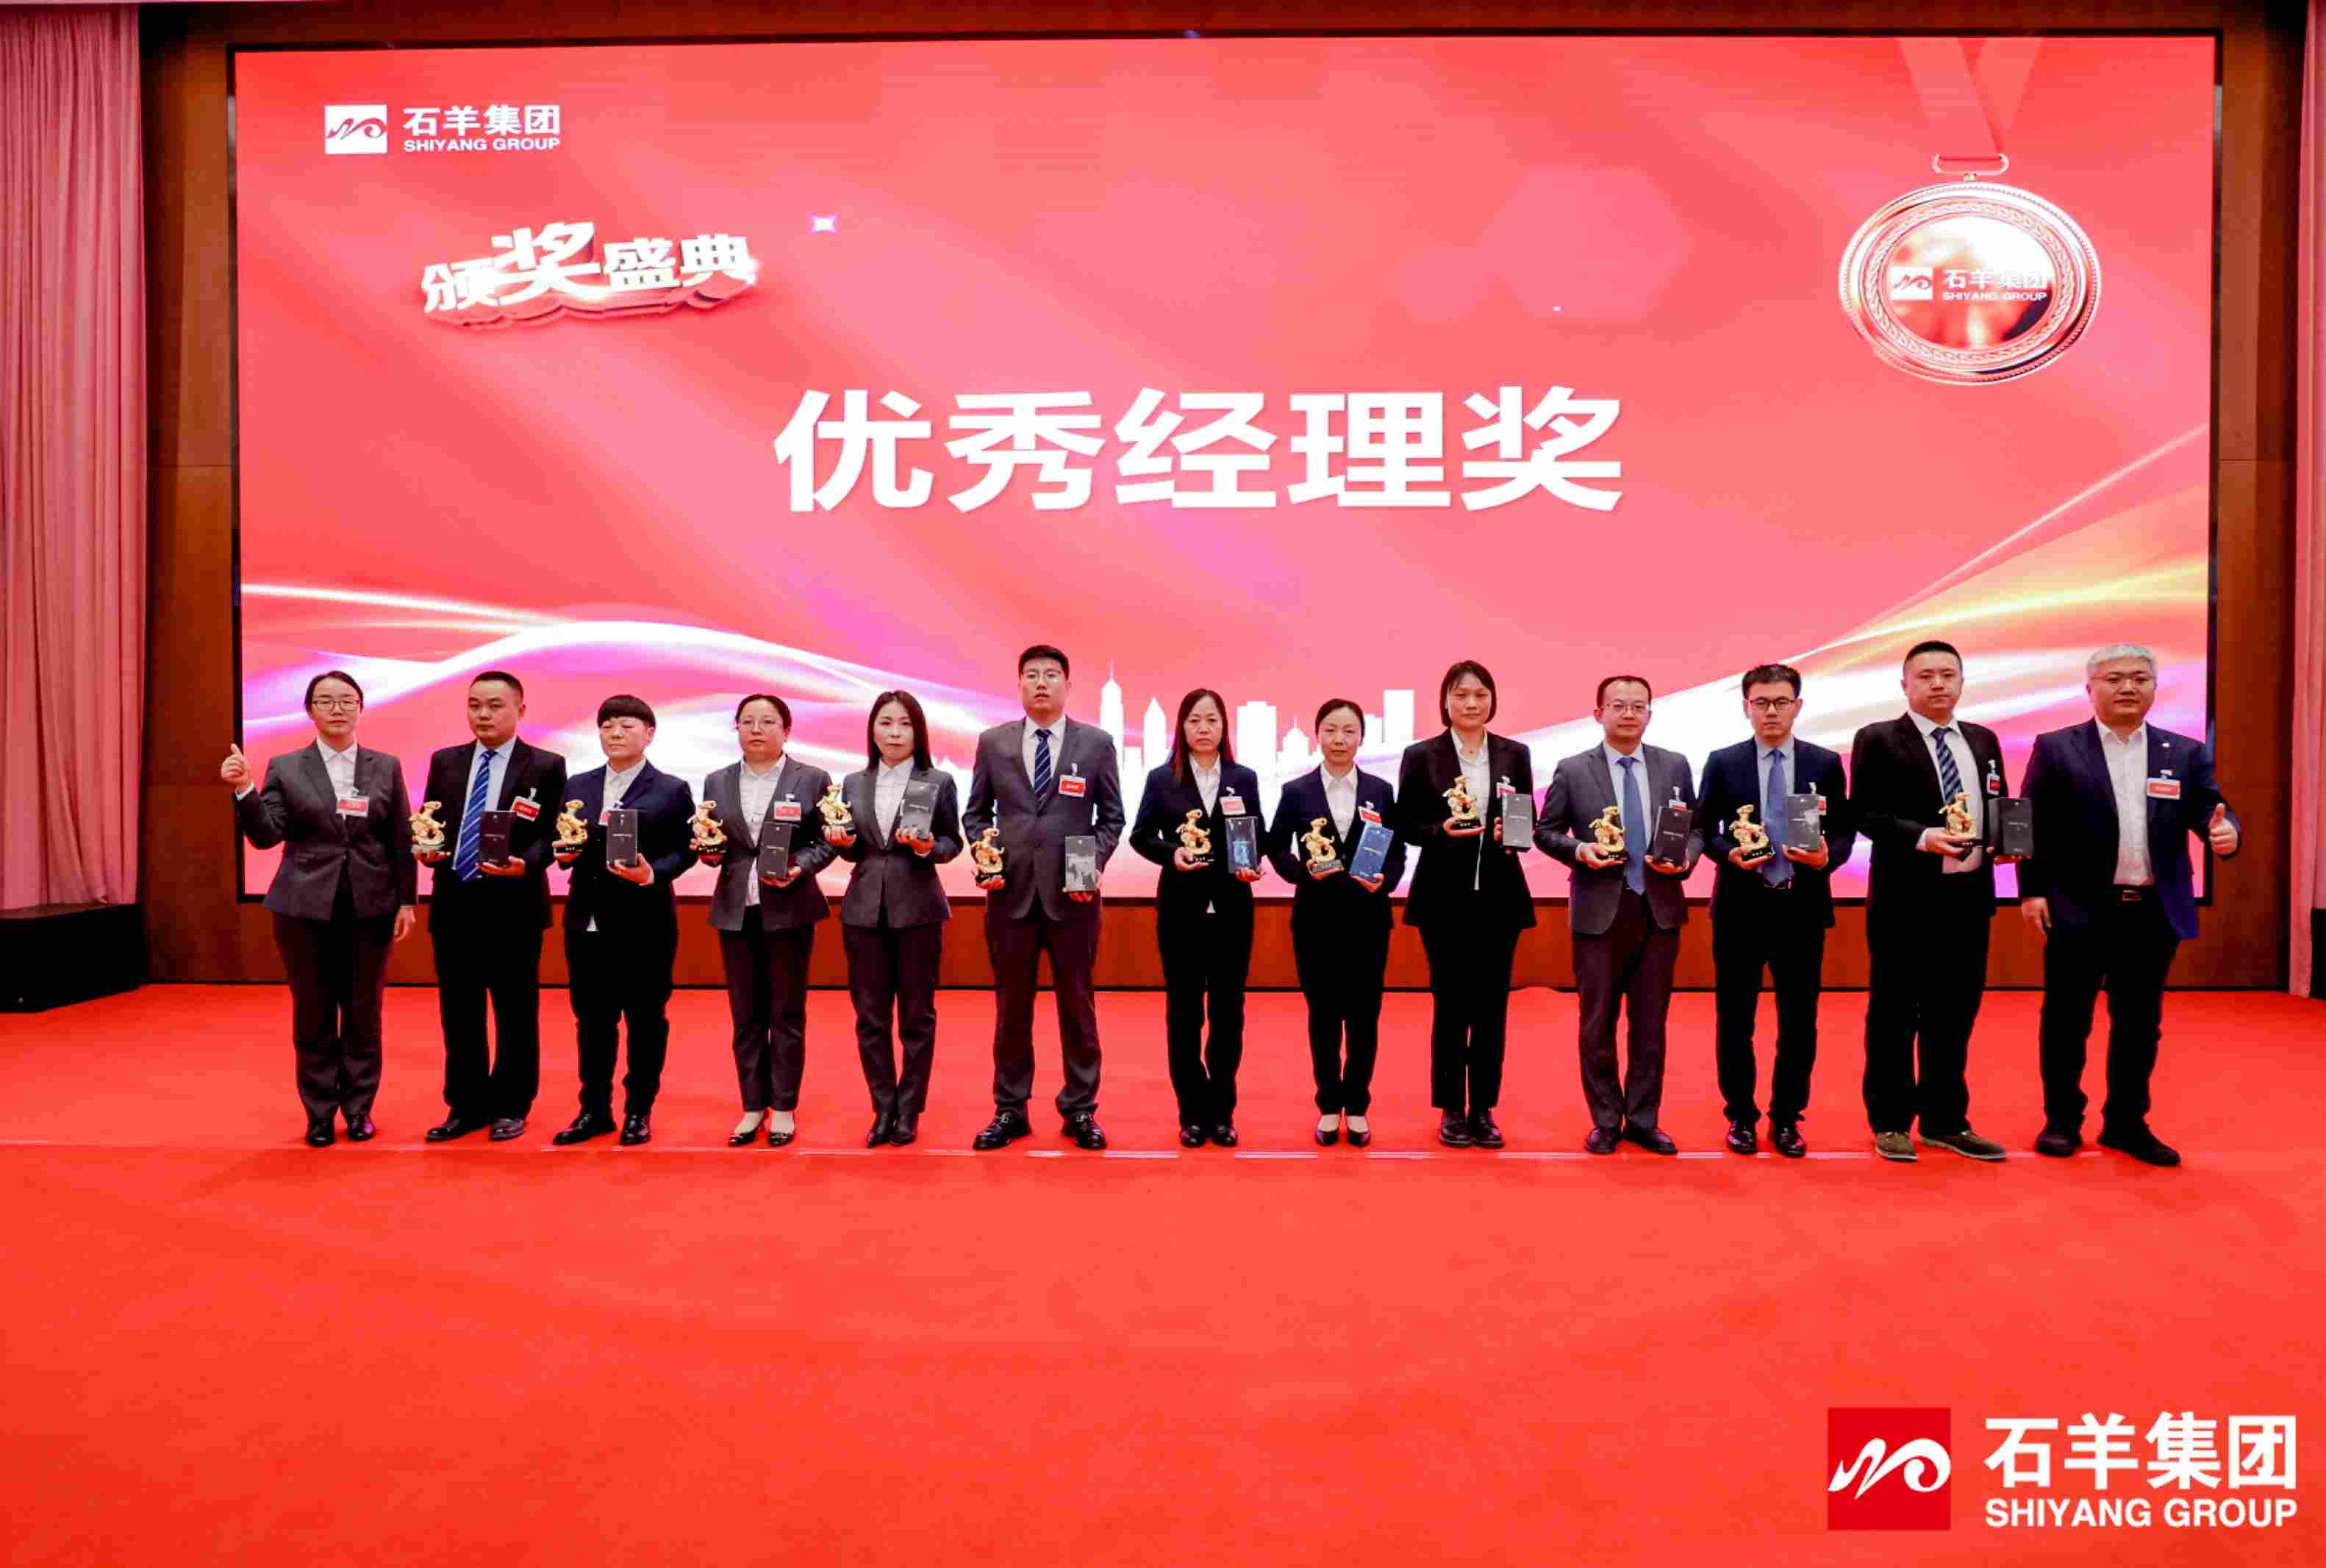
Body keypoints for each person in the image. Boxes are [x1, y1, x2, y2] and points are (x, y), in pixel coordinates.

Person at [2019, 644, 2241, 1166]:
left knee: (2140, 1023)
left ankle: (2126, 1122)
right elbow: (2029, 822)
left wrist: (2227, 833)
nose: (2127, 687)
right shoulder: (2056, 748)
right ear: (2090, 688)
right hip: (2078, 907)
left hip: (2151, 911)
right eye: (2114, 678)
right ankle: (2062, 1121)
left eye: (2140, 678)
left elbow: (2212, 811)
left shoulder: (2183, 752)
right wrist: (2031, 890)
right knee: (2067, 1020)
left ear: (2154, 688)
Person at [222, 670, 415, 1146]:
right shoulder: (287, 767)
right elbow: (266, 835)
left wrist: (407, 900)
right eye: (325, 700)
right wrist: (245, 789)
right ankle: (319, 1112)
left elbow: (400, 838)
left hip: (370, 908)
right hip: (303, 908)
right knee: (313, 1013)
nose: (337, 709)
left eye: (347, 700)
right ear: (309, 710)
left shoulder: (385, 765)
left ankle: (359, 1109)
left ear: (361, 707)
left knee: (363, 1013)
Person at [1848, 640, 2019, 1162]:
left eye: (1948, 674)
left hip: (1968, 899)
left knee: (1955, 1014)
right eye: (1925, 676)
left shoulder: (1983, 739)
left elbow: (1998, 803)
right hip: (1905, 901)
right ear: (1905, 685)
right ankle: (1891, 1121)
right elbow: (1866, 814)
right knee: (1895, 1014)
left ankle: (1946, 1120)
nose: (1938, 683)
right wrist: (1923, 837)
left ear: (1962, 682)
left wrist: (2008, 841)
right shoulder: (1878, 738)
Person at [962, 645, 1125, 1151]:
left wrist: (1092, 865)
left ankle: (1080, 1108)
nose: (1041, 683)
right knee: (1012, 1009)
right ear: (1019, 685)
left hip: (1074, 898)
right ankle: (1010, 1108)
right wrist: (986, 853)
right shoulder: (993, 743)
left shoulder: (1096, 744)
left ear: (1067, 686)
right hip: (1009, 895)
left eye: (1051, 675)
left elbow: (1112, 818)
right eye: (1031, 675)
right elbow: (975, 814)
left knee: (1078, 1006)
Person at [1536, 674, 1701, 1155]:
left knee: (1650, 1025)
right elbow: (1546, 831)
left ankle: (1644, 1119)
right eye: (1618, 705)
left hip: (1658, 910)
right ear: (1598, 714)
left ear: (1649, 713)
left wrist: (1686, 857)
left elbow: (1692, 828)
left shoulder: (1674, 764)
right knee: (1598, 1023)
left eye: (1638, 706)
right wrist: (1579, 850)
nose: (1629, 713)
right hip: (1599, 911)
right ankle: (1606, 1119)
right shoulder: (1572, 769)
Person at [1697, 664, 1855, 1158]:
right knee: (1734, 1021)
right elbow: (1705, 829)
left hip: (1801, 909)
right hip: (1740, 910)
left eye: (1781, 702)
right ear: (1746, 707)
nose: (1771, 711)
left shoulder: (1824, 762)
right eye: (1761, 702)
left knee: (1799, 1022)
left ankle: (1787, 1117)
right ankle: (1740, 1117)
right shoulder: (1723, 762)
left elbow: (1844, 831)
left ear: (1797, 707)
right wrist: (1729, 854)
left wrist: (1828, 857)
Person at [415, 670, 566, 1143]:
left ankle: (511, 1105)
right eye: (475, 704)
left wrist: (529, 864)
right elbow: (432, 821)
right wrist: (426, 849)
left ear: (520, 710)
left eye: (495, 705)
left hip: (514, 906)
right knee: (459, 1013)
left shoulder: (546, 765)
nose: (483, 714)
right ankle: (465, 1105)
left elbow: (554, 832)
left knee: (515, 1012)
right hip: (454, 902)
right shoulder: (445, 761)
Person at [1395, 661, 1534, 1149]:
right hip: (1443, 901)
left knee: (1493, 1008)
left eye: (1480, 694)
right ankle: (1452, 1107)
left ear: (1492, 699)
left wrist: (1511, 832)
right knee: (1452, 1006)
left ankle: (1484, 1109)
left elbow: (1524, 818)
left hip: (1500, 899)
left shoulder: (1515, 753)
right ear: (1445, 701)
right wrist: (1440, 831)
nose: (1471, 703)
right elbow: (1405, 824)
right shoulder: (1422, 755)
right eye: (1461, 695)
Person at [551, 694, 696, 1148]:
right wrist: (564, 853)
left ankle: (638, 1111)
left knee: (646, 1020)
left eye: (627, 726)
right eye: (607, 725)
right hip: (587, 922)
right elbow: (564, 839)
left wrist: (653, 873)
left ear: (649, 734)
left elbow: (687, 849)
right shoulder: (578, 785)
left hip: (645, 923)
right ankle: (594, 1109)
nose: (615, 733)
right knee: (592, 1021)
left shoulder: (671, 789)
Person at [1267, 698, 1406, 1148]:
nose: (1339, 739)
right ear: (1317, 735)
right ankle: (1329, 1104)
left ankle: (1358, 1106)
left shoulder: (1381, 791)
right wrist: (1300, 872)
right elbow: (1276, 847)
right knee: (1324, 1018)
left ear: (1361, 737)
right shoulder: (1297, 791)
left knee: (1364, 1018)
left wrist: (1386, 881)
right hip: (1316, 921)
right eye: (1331, 730)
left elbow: (1397, 852)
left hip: (1368, 920)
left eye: (1349, 731)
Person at [1128, 689, 1264, 1148]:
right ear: (1181, 727)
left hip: (1232, 910)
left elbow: (1256, 834)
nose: (1203, 728)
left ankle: (1222, 1112)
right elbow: (1141, 836)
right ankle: (1191, 1112)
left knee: (1228, 1014)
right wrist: (1173, 853)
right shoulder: (1161, 779)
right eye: (1194, 720)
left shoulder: (1243, 778)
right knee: (1184, 1014)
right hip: (1181, 911)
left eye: (1212, 720)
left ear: (1224, 727)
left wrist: (1252, 861)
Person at [826, 690, 962, 1148]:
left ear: (918, 732)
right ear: (872, 730)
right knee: (870, 1017)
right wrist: (843, 842)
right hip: (863, 911)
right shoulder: (852, 783)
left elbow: (952, 843)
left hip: (919, 910)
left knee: (917, 1017)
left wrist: (928, 847)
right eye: (886, 723)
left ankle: (909, 1109)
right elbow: (853, 849)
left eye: (905, 724)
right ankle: (883, 1106)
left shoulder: (938, 781)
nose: (895, 733)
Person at [699, 694, 834, 1148]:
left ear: (786, 730)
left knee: (786, 1013)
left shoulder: (812, 778)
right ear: (737, 729)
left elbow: (827, 840)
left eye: (767, 721)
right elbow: (712, 840)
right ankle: (752, 1105)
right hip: (736, 909)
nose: (756, 729)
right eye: (747, 721)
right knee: (746, 1016)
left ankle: (784, 1107)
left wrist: (801, 865)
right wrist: (709, 852)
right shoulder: (717, 781)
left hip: (790, 908)